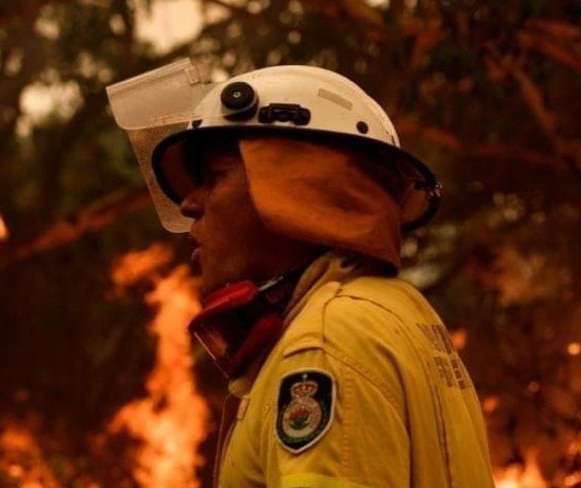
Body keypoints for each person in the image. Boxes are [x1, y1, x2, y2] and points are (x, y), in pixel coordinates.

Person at [107, 59, 495, 488]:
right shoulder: (395, 311)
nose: (189, 205)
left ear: (301, 185)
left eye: (215, 177)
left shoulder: (325, 340)